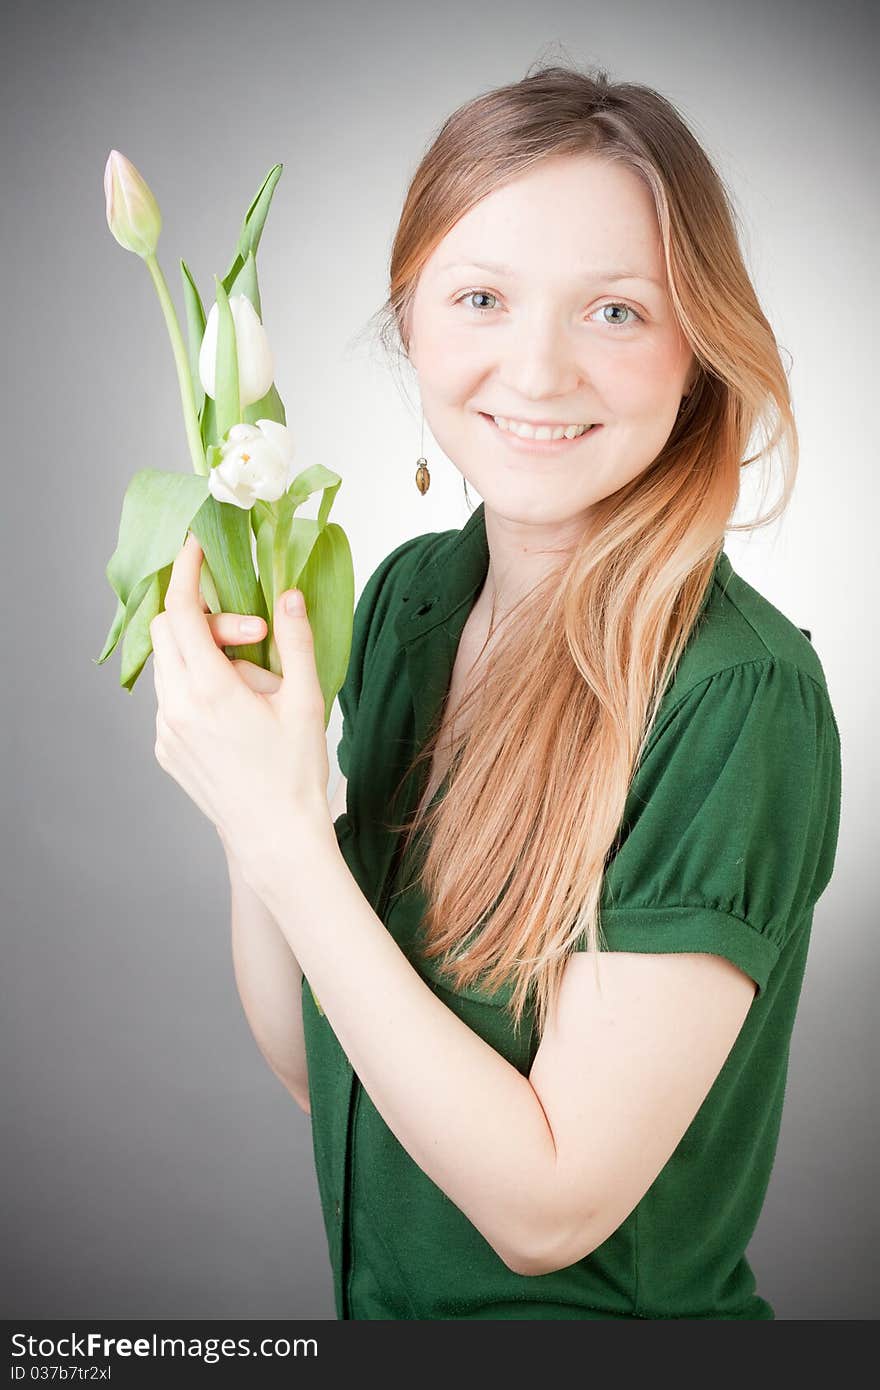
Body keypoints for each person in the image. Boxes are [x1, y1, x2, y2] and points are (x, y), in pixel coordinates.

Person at [220, 64, 842, 1319]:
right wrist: (258, 789)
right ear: (412, 322)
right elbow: (320, 1067)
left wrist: (284, 836)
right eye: (482, 298)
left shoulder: (735, 696)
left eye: (614, 311)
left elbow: (545, 1209)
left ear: (697, 350)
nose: (538, 370)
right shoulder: (413, 600)